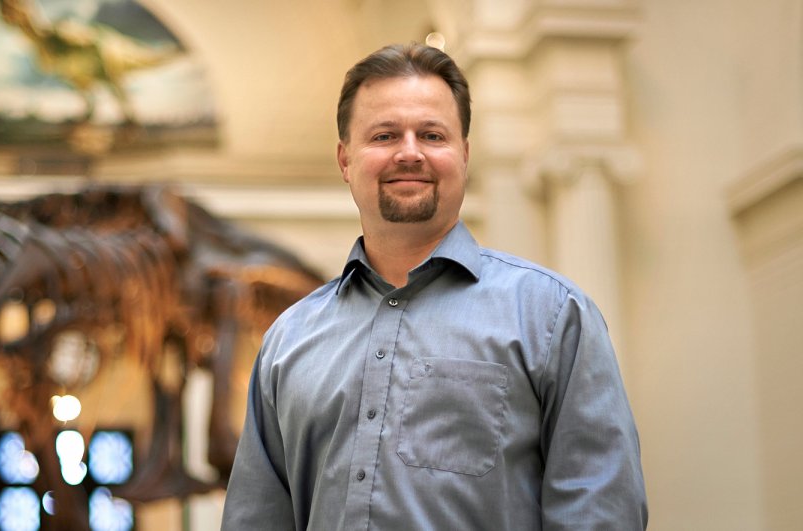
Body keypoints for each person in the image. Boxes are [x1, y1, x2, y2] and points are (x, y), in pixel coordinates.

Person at [220, 43, 647, 530]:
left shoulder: (552, 317)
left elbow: (600, 515)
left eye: (432, 134)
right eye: (383, 135)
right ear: (345, 160)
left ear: (463, 155)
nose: (408, 152)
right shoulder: (287, 342)